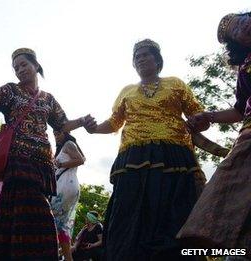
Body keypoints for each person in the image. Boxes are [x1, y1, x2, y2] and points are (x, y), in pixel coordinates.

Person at [0, 48, 94, 260]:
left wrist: (81, 121)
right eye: (16, 68)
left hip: (43, 163)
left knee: (23, 209)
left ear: (36, 66)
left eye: (24, 65)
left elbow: (62, 124)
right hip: (17, 160)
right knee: (33, 208)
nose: (20, 70)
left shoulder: (48, 99)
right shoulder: (10, 91)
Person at [83, 39, 206, 260]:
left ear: (157, 60)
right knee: (128, 210)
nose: (140, 59)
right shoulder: (127, 91)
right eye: (136, 56)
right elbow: (114, 122)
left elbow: (198, 115)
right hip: (133, 157)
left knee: (172, 208)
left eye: (145, 55)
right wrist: (93, 129)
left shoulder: (175, 84)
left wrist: (200, 121)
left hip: (173, 154)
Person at [177, 12, 251, 255]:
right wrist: (209, 116)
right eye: (237, 31)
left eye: (243, 20)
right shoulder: (245, 68)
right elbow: (240, 109)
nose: (244, 26)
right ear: (238, 43)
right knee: (228, 189)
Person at [50, 131, 85, 261]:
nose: (56, 136)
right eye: (54, 134)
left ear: (66, 133)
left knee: (51, 221)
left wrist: (60, 164)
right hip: (68, 185)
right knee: (61, 226)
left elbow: (80, 160)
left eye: (58, 133)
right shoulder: (66, 147)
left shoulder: (68, 144)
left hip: (65, 186)